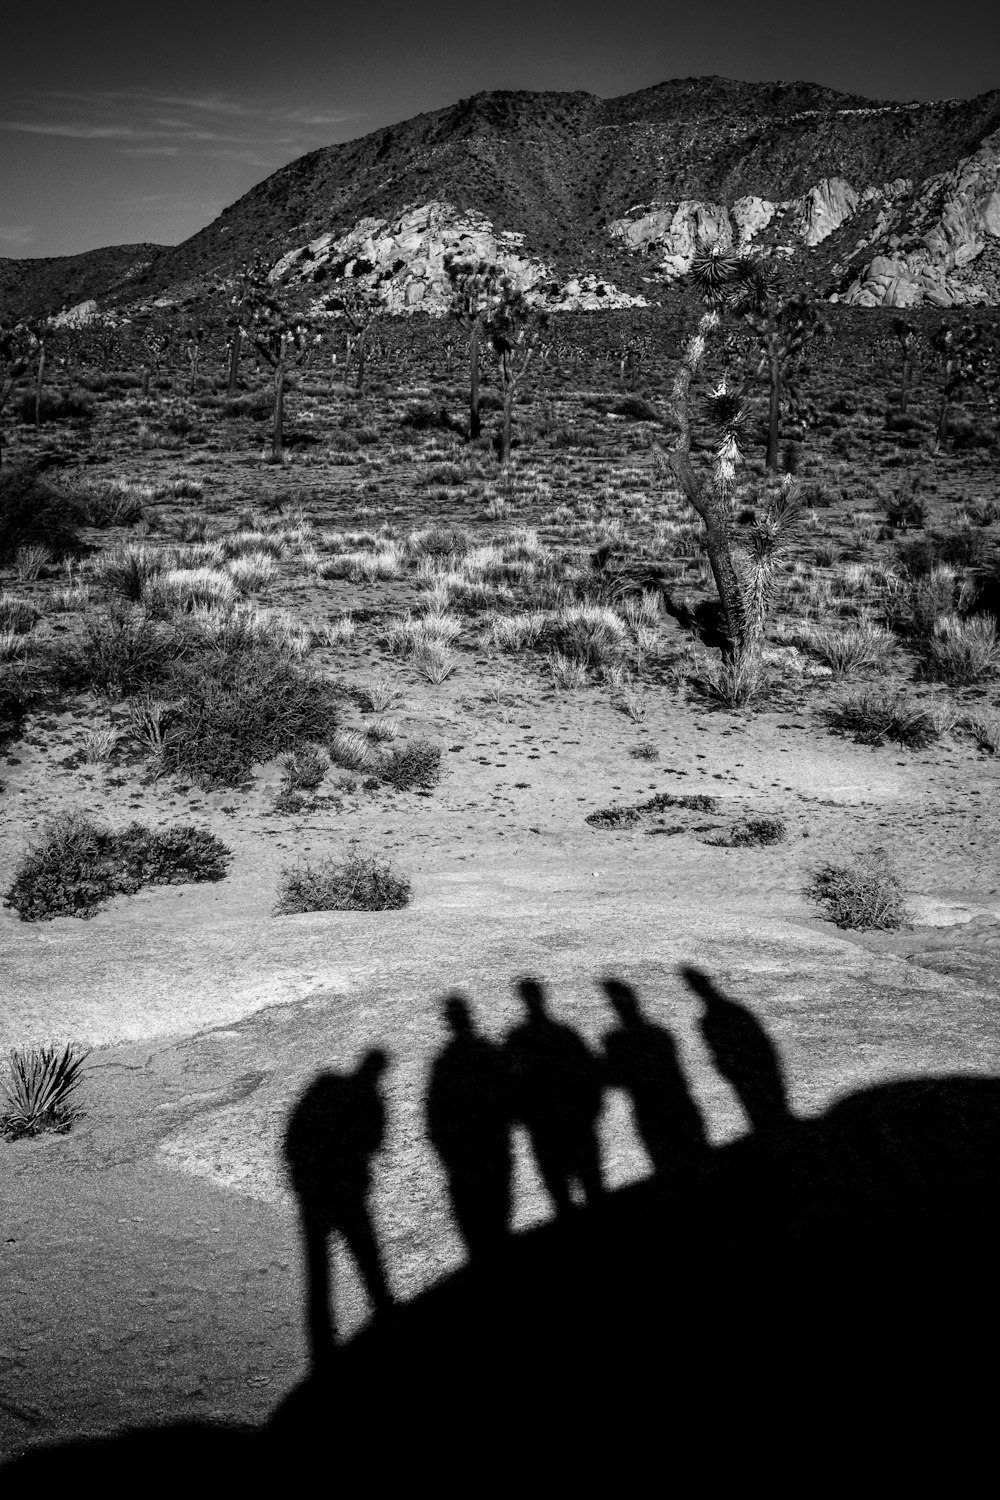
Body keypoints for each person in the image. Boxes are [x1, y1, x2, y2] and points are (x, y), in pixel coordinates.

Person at [283, 1048, 393, 1367]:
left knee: (319, 1271)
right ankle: (387, 1321)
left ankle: (322, 1348)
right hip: (346, 1194)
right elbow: (374, 1144)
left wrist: (302, 1180)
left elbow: (293, 1137)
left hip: (314, 1193)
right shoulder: (371, 1101)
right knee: (368, 1261)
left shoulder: (327, 1085)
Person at [505, 978, 605, 1217]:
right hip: (570, 1123)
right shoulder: (564, 1034)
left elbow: (514, 1084)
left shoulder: (518, 1038)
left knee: (561, 1189)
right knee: (589, 1185)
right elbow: (590, 1075)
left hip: (546, 1127)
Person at [425, 994, 514, 1259]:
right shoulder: (488, 1051)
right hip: (495, 1150)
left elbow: (435, 1118)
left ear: (448, 1022)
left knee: (475, 1227)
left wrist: (448, 1157)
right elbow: (510, 1097)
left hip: (464, 1158)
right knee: (500, 1218)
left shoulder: (443, 1064)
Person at [601, 978, 708, 1181]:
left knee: (666, 1162)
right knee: (693, 1156)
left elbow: (617, 1079)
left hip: (649, 1107)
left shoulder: (616, 1041)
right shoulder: (659, 1033)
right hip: (676, 1101)